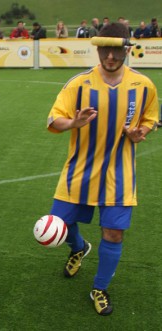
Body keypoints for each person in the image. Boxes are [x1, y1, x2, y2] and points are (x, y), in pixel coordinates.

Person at [46, 22, 159, 316]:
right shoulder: (78, 84)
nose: (110, 56)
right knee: (58, 227)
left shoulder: (144, 85)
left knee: (113, 234)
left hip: (120, 174)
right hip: (79, 171)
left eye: (116, 49)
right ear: (97, 48)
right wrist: (73, 123)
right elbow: (54, 119)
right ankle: (79, 247)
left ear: (126, 49)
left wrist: (141, 131)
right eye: (105, 49)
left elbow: (150, 118)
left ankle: (100, 287)